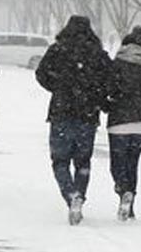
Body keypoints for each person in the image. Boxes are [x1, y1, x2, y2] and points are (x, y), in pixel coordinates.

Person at [34, 15, 110, 225]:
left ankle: (70, 194)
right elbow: (109, 80)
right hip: (87, 114)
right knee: (83, 161)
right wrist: (96, 95)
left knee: (60, 160)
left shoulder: (57, 50)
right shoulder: (98, 54)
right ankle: (79, 194)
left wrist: (58, 88)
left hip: (61, 112)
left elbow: (41, 74)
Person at [105, 28, 141, 220]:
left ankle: (123, 191)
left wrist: (114, 102)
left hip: (119, 121)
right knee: (133, 163)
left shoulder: (116, 65)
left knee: (117, 164)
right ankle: (130, 204)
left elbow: (107, 89)